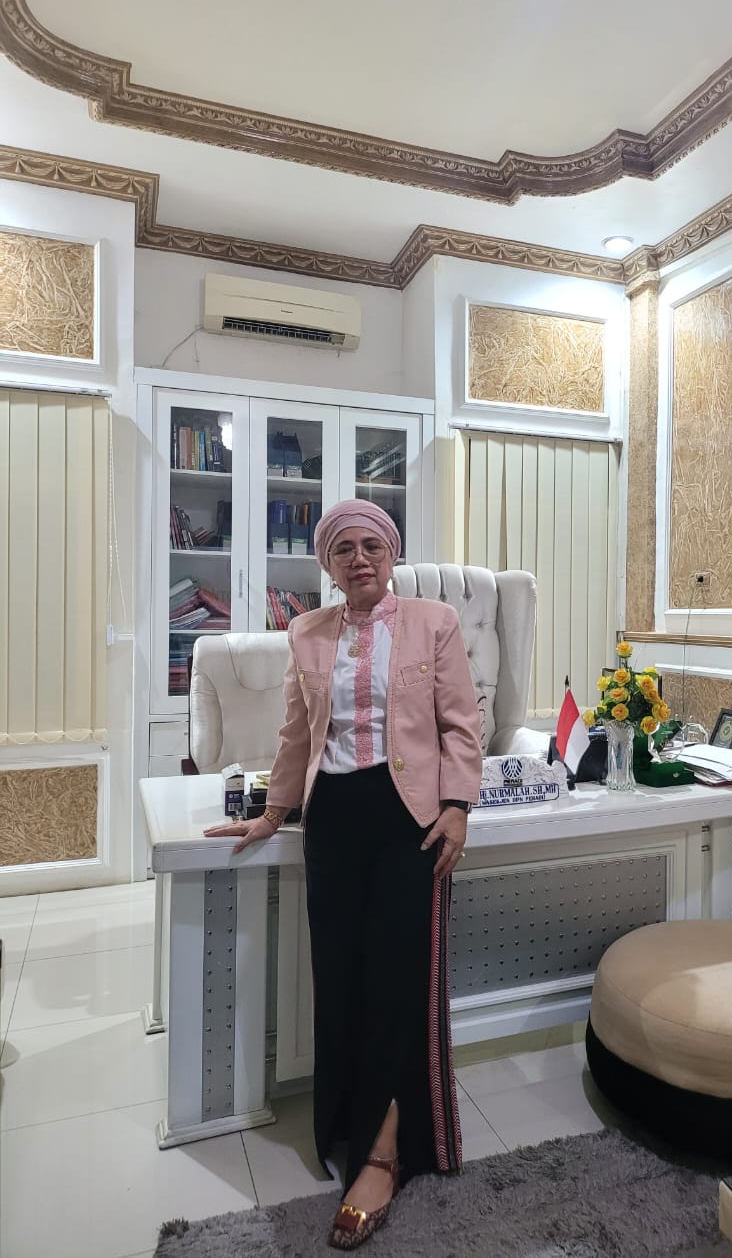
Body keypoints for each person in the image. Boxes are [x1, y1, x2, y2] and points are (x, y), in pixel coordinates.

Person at [204, 498, 482, 1250]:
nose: (359, 559)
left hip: (409, 821)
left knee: (396, 983)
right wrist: (271, 813)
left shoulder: (433, 623)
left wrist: (458, 806)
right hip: (332, 820)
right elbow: (297, 733)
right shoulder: (307, 632)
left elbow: (463, 725)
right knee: (340, 978)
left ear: (392, 555)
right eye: (343, 549)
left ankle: (384, 1154)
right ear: (326, 564)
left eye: (372, 546)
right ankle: (345, 1123)